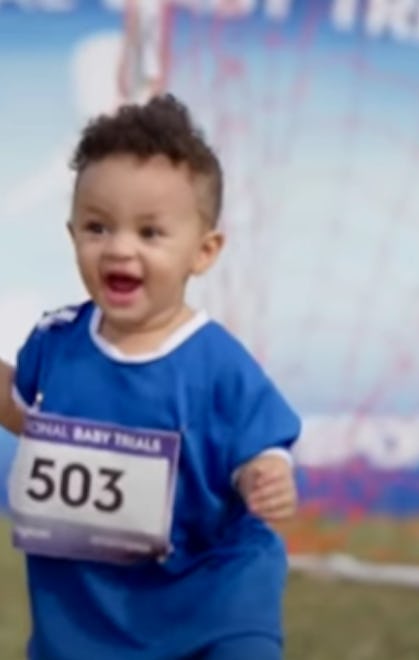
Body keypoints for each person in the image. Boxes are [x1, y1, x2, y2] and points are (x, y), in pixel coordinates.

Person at [0, 94, 300, 660]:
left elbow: (259, 448)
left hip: (214, 598)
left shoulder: (218, 365)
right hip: (88, 612)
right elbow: (23, 413)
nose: (119, 248)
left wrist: (266, 476)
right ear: (72, 237)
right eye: (97, 227)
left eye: (149, 232)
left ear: (204, 251)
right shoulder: (56, 341)